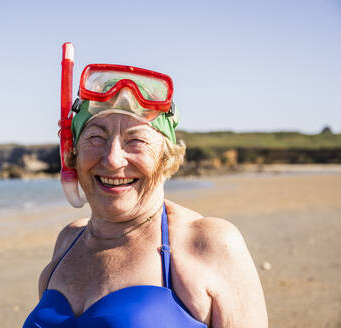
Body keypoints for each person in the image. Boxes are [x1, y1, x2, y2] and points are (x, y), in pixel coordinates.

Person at [23, 64, 268, 327]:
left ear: (165, 157)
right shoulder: (68, 242)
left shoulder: (207, 244)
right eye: (95, 137)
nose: (113, 159)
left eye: (136, 140)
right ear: (72, 154)